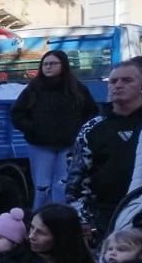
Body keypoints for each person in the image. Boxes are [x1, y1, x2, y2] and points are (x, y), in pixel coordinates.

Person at [66, 56, 142, 239]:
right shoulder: (93, 128)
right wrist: (84, 220)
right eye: (113, 81)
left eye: (127, 80)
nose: (118, 85)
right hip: (105, 219)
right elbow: (76, 182)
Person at [9, 49, 96, 209]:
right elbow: (17, 113)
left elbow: (92, 113)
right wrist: (32, 128)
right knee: (42, 187)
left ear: (63, 65)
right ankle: (39, 221)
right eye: (45, 64)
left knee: (62, 186)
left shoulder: (77, 89)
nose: (48, 67)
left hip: (68, 146)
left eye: (53, 63)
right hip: (40, 146)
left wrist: (79, 132)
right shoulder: (33, 88)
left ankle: (60, 222)